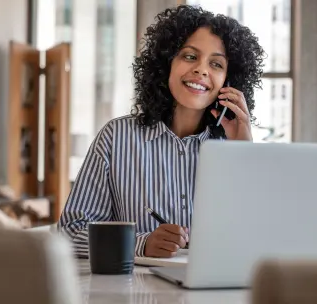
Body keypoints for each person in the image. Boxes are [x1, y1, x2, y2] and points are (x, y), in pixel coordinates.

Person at [58, 5, 264, 258]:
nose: (202, 69)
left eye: (216, 64)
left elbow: (260, 237)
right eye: (190, 56)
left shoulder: (234, 146)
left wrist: (244, 151)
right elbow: (69, 234)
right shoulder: (115, 138)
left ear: (228, 82)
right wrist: (140, 244)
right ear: (166, 64)